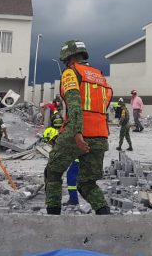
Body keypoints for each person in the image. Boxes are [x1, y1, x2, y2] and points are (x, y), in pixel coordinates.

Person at [44, 39, 113, 215]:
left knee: (52, 173)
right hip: (100, 136)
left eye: (65, 61)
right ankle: (105, 218)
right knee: (87, 183)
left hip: (78, 133)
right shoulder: (101, 77)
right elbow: (104, 108)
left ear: (69, 58)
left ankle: (52, 218)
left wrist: (77, 133)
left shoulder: (71, 72)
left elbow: (74, 105)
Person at [42, 126, 80, 206]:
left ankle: (74, 201)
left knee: (71, 177)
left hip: (79, 158)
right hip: (75, 157)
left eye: (49, 141)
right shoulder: (60, 140)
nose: (49, 144)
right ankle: (73, 200)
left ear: (53, 137)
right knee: (70, 177)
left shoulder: (61, 142)